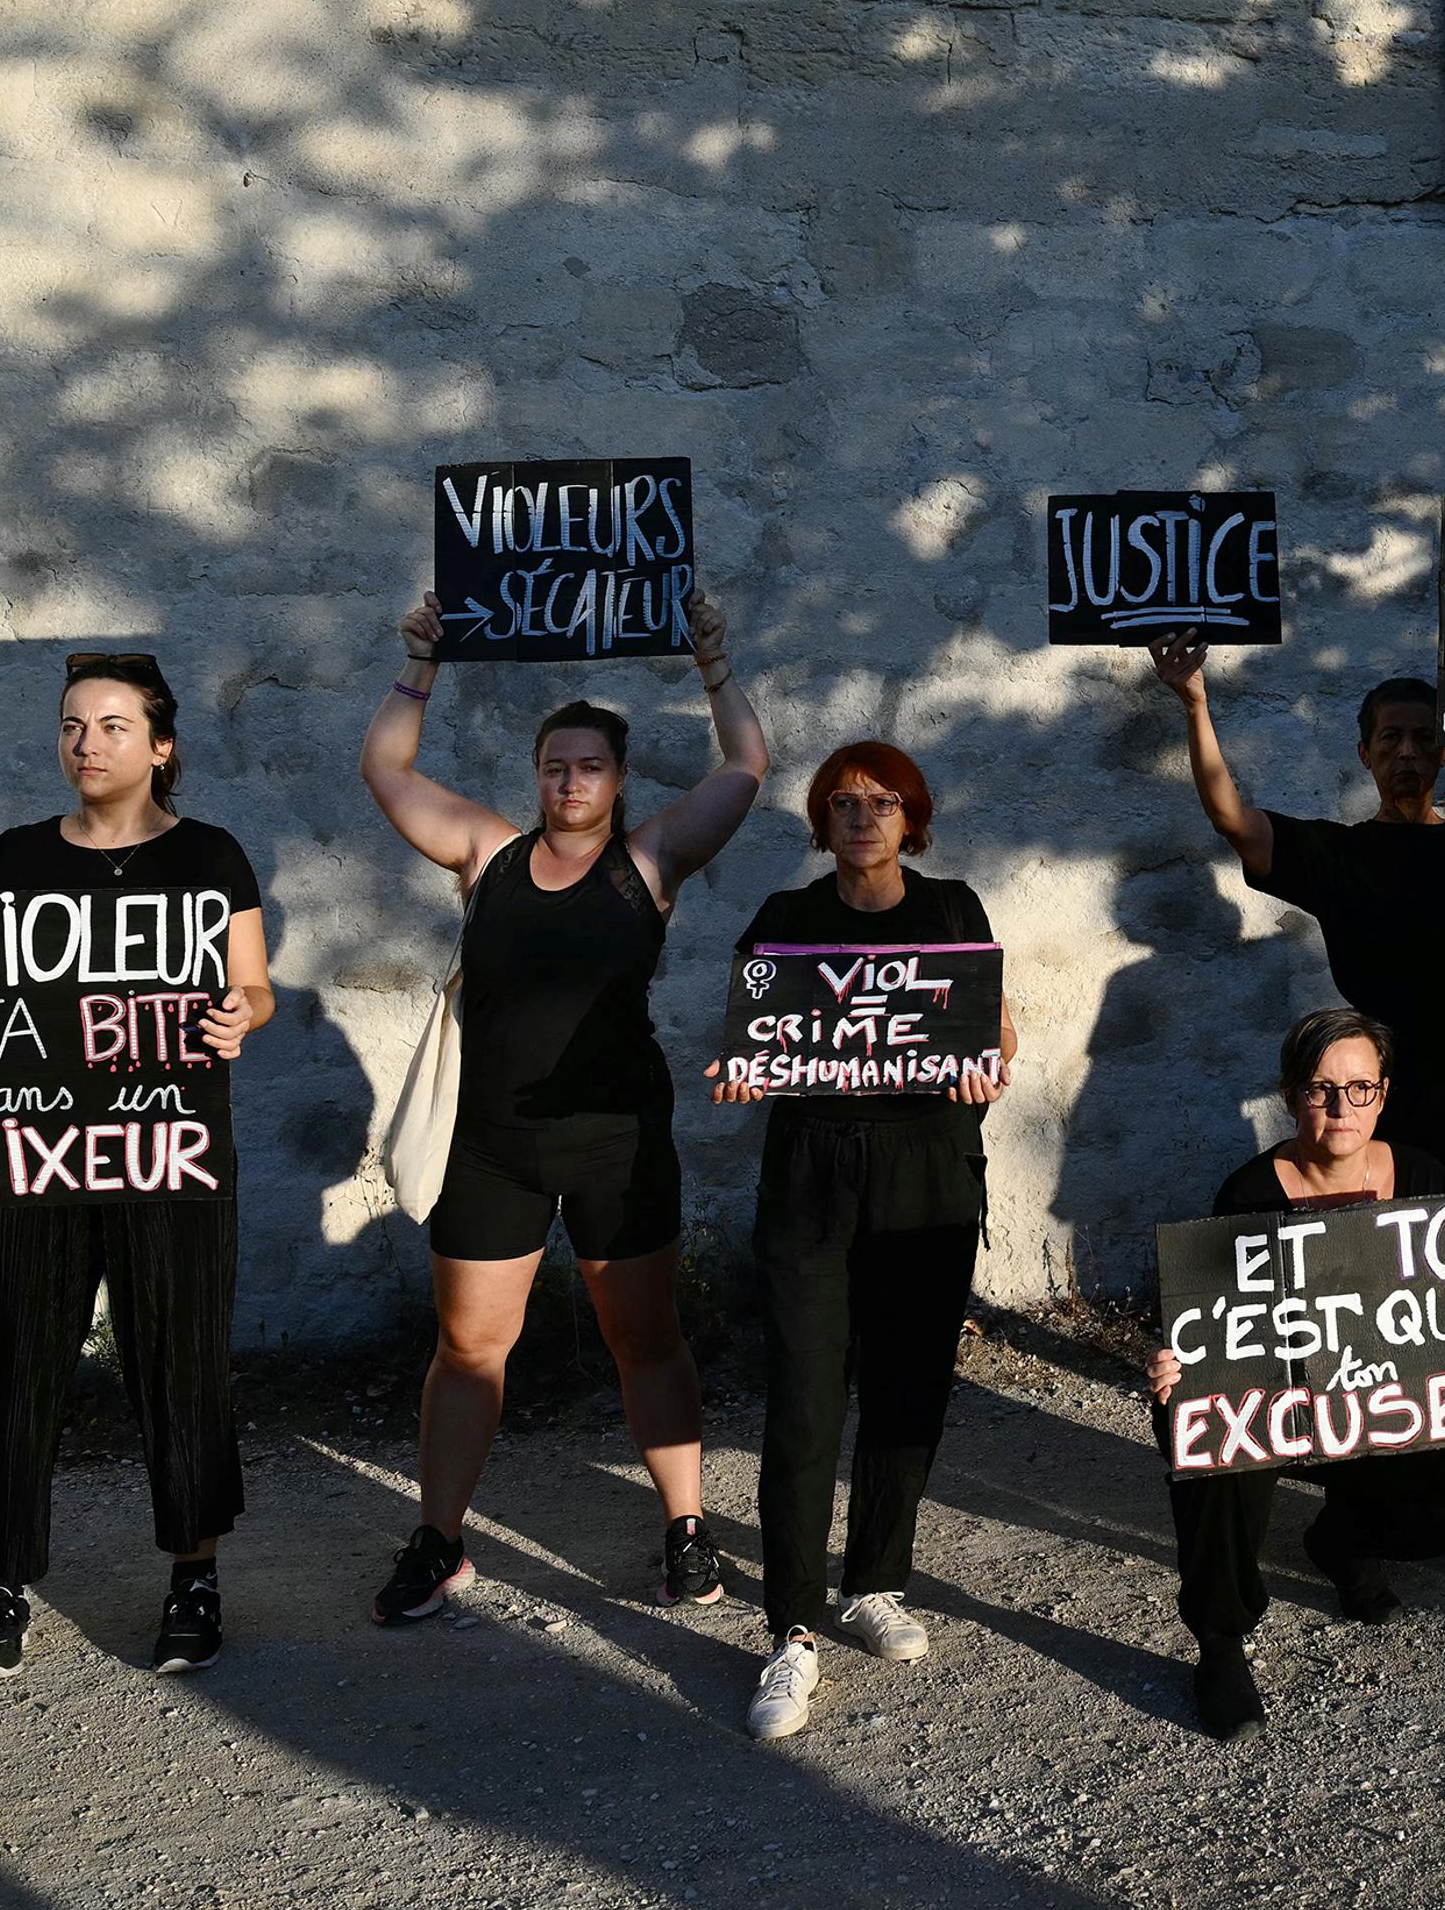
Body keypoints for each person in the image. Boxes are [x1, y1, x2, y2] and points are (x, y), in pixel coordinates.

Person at [357, 590, 767, 1625]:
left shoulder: (649, 862)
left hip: (617, 1146)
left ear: (619, 781)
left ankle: (683, 1527)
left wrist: (714, 663)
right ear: (537, 776)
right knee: (468, 1347)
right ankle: (440, 1540)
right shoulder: (487, 854)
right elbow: (387, 770)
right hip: (494, 1148)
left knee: (647, 1339)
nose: (570, 778)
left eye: (590, 764)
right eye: (555, 762)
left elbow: (745, 768)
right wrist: (421, 664)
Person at [0, 652, 274, 1684]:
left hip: (170, 1147)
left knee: (181, 1358)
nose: (88, 744)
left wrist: (241, 1015)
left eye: (113, 725)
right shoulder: (15, 858)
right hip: (37, 1159)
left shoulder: (211, 857)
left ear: (161, 746)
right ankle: (1, 1586)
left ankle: (193, 1579)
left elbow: (256, 987)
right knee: (20, 1366)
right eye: (73, 725)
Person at [1144, 1010, 1445, 1741]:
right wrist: (1182, 1370)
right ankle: (1221, 1644)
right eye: (1322, 1088)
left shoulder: (1424, 1178)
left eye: (1360, 1088)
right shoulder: (1249, 1196)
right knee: (1203, 1432)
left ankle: (1350, 1538)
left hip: (1393, 1406)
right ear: (1292, 1094)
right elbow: (1226, 1332)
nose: (1340, 1107)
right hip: (1301, 1411)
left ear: (1384, 1094)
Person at [722, 740, 1016, 1742]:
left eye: (881, 800)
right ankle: (792, 1626)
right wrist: (741, 1072)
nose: (862, 816)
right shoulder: (786, 920)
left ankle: (878, 1581)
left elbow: (997, 1031)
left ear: (912, 815)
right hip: (811, 1171)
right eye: (842, 802)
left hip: (927, 1169)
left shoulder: (951, 910)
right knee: (804, 1397)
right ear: (820, 819)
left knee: (907, 1390)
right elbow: (751, 1040)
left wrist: (988, 1064)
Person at [1145, 637, 1445, 1192]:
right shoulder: (1339, 854)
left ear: (1443, 752)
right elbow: (1233, 820)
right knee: (1389, 1227)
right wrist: (1195, 703)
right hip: (1378, 1078)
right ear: (1366, 753)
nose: (1406, 751)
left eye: (1422, 738)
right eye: (1391, 738)